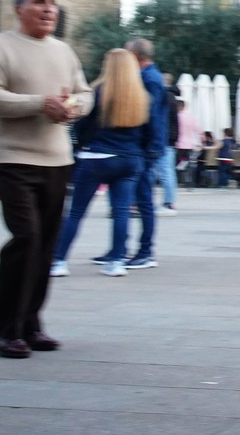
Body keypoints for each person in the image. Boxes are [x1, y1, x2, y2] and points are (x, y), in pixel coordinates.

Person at [0, 0, 92, 358]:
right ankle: (4, 329)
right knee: (25, 238)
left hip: (58, 161)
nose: (48, 10)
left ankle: (30, 323)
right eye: (40, 2)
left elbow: (85, 93)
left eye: (52, 4)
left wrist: (73, 107)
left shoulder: (63, 51)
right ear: (19, 8)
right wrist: (40, 103)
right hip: (14, 160)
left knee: (45, 245)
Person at [51, 49, 151, 278]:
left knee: (76, 212)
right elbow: (149, 132)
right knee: (121, 211)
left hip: (97, 157)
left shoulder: (97, 92)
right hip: (129, 159)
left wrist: (80, 146)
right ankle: (117, 261)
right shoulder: (141, 95)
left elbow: (80, 127)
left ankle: (59, 261)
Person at [120, 38, 168, 270]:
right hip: (144, 146)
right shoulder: (149, 77)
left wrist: (151, 148)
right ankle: (121, 249)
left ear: (137, 56)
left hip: (145, 147)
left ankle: (146, 250)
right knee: (138, 199)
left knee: (143, 200)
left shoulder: (149, 79)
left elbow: (152, 116)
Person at [154, 73, 180, 212]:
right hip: (170, 139)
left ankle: (169, 202)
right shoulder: (173, 97)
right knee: (168, 171)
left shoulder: (164, 96)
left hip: (163, 138)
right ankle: (170, 201)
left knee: (164, 171)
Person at [175, 99, 202, 191]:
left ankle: (177, 181)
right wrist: (201, 140)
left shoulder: (177, 117)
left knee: (175, 163)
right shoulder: (192, 117)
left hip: (179, 144)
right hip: (190, 145)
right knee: (190, 165)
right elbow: (198, 130)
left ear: (178, 107)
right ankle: (190, 184)